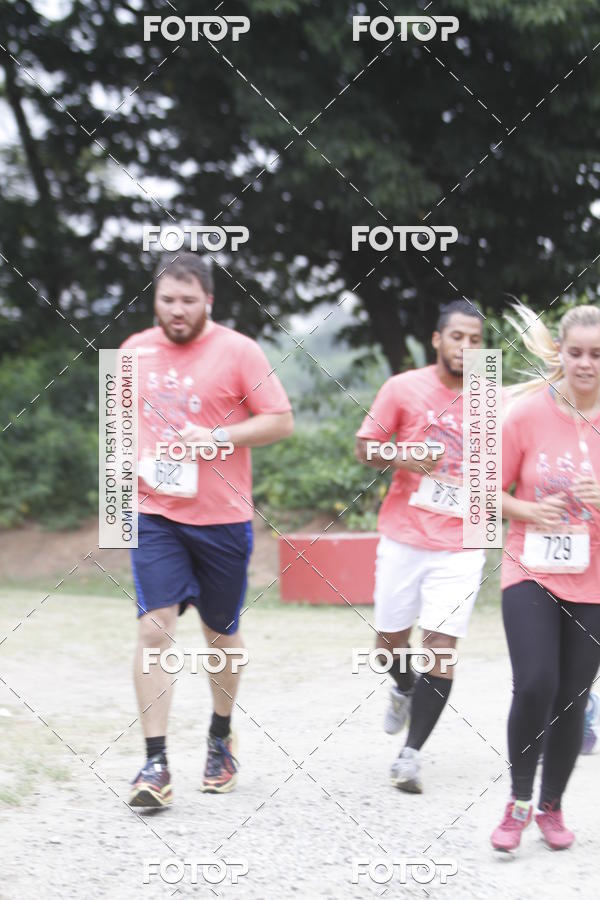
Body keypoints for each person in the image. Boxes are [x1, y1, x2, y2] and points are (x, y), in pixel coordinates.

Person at [121, 253, 293, 806]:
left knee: (220, 635)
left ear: (208, 302)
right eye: (167, 300)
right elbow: (116, 432)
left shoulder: (240, 350)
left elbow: (280, 421)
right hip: (155, 516)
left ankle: (220, 736)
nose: (176, 311)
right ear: (155, 299)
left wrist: (220, 436)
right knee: (154, 629)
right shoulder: (130, 352)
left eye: (188, 301)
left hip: (222, 519)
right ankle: (155, 763)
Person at [355, 299, 486, 792]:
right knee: (388, 645)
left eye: (476, 340)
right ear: (437, 339)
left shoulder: (491, 400)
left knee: (441, 648)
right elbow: (366, 447)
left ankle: (410, 755)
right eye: (458, 337)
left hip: (462, 543)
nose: (466, 348)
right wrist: (404, 455)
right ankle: (404, 687)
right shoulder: (402, 388)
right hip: (405, 537)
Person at [491, 303, 600, 852]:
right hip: (530, 565)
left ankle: (552, 808)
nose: (585, 364)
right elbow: (485, 494)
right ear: (560, 353)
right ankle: (517, 803)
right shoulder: (527, 415)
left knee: (573, 697)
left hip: (596, 578)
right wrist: (529, 511)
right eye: (575, 352)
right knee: (536, 683)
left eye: (597, 355)